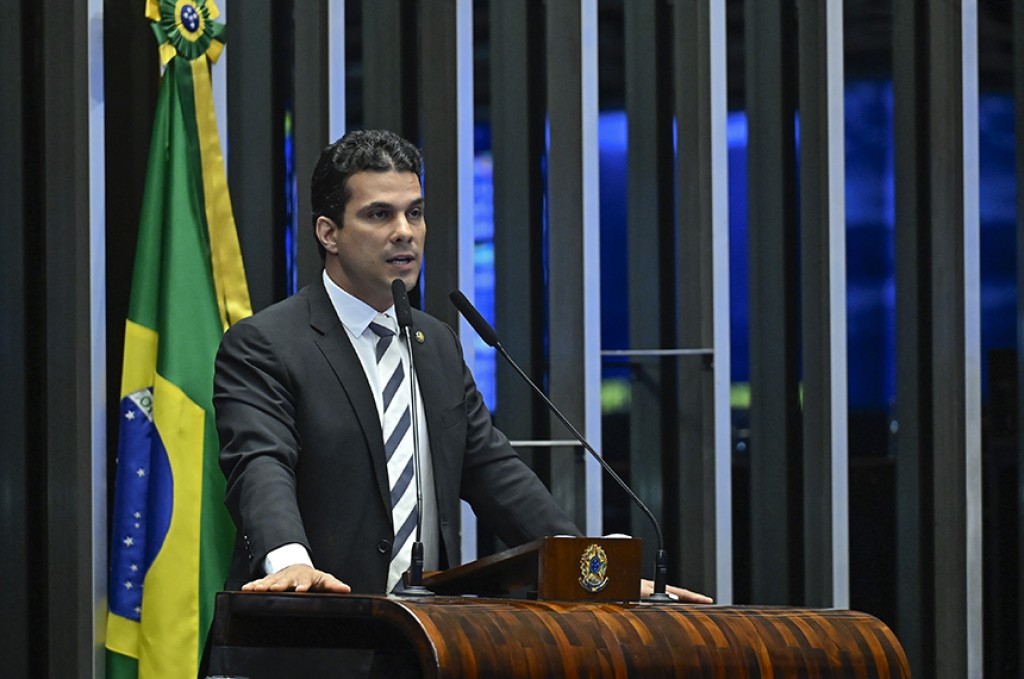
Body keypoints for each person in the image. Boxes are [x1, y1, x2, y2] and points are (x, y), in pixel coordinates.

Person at [214, 129, 711, 603]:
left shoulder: (437, 345)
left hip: (422, 633)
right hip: (310, 625)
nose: (404, 232)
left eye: (415, 213)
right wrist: (289, 562)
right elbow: (260, 462)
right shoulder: (267, 344)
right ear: (329, 233)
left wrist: (588, 572)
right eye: (379, 215)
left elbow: (495, 473)